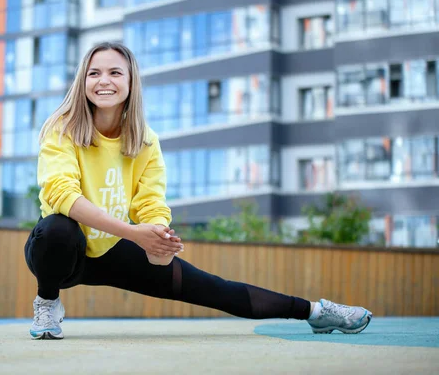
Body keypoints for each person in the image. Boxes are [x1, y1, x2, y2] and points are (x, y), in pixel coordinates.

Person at [24, 42, 372, 340]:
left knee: (215, 288)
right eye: (94, 73)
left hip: (113, 247)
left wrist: (158, 238)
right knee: (57, 228)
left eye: (115, 72)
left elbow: (150, 203)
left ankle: (316, 311)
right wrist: (134, 233)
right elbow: (62, 194)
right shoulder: (62, 129)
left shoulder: (145, 140)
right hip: (61, 254)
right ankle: (48, 303)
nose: (104, 81)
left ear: (131, 82)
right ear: (82, 80)